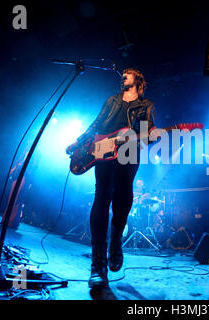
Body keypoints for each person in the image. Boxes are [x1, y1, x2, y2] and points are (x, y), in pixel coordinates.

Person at [66, 68, 157, 288]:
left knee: (123, 198)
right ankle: (98, 266)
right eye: (123, 73)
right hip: (104, 149)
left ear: (138, 79)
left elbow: (147, 133)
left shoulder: (146, 105)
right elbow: (96, 123)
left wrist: (152, 134)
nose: (123, 75)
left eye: (129, 73)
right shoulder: (112, 100)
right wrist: (79, 142)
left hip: (129, 151)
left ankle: (115, 240)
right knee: (102, 196)